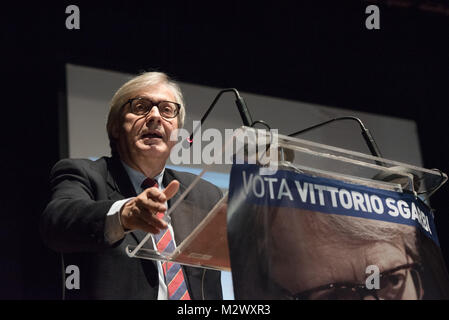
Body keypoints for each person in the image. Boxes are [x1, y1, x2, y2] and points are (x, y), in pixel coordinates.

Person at [40, 72, 223, 300]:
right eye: (141, 106)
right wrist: (124, 214)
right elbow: (56, 223)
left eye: (167, 110)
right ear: (116, 127)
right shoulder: (84, 175)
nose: (155, 116)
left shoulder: (205, 194)